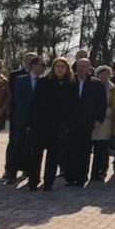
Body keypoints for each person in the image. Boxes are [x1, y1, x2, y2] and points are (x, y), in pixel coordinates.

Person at [27, 57, 77, 191]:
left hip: (59, 127)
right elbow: (34, 103)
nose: (60, 69)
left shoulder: (71, 85)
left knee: (53, 157)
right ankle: (33, 181)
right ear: (53, 68)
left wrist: (68, 125)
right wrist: (30, 122)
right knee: (36, 155)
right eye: (57, 66)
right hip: (41, 125)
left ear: (67, 69)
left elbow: (73, 107)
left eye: (62, 67)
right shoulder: (44, 82)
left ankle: (48, 182)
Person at [5, 56, 45, 184]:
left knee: (31, 148)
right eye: (41, 65)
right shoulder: (20, 80)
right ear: (33, 65)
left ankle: (29, 172)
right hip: (21, 118)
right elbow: (19, 99)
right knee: (16, 145)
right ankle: (11, 173)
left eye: (44, 66)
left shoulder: (44, 82)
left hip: (37, 120)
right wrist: (27, 117)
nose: (43, 68)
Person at [68, 58, 106, 187]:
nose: (81, 68)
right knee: (70, 151)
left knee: (84, 152)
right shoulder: (70, 81)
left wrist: (99, 120)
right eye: (79, 66)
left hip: (87, 122)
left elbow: (102, 104)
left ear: (90, 68)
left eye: (84, 66)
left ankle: (81, 178)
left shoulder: (96, 84)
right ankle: (70, 177)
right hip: (71, 122)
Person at [90, 65, 115, 182]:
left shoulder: (113, 88)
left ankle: (101, 170)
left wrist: (105, 113)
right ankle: (92, 172)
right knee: (92, 147)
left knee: (102, 147)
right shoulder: (92, 85)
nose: (103, 76)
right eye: (101, 73)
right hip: (92, 120)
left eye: (106, 74)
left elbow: (114, 104)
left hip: (106, 121)